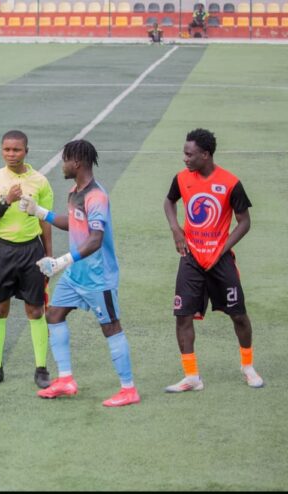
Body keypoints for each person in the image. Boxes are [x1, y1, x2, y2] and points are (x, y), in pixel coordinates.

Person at [26, 139, 140, 407]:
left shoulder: (96, 196)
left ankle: (128, 389)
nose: (62, 164)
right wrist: (41, 212)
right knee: (54, 315)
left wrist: (61, 261)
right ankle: (65, 379)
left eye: (64, 159)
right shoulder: (74, 191)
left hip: (98, 278)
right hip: (76, 276)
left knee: (111, 327)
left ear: (76, 162)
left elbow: (95, 240)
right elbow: (75, 222)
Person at [162, 128, 263, 392]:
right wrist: (176, 229)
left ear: (205, 155)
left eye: (189, 154)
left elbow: (244, 222)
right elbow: (169, 202)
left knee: (238, 315)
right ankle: (191, 376)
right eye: (184, 153)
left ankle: (248, 367)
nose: (185, 158)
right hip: (191, 257)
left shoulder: (230, 182)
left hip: (220, 261)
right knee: (182, 316)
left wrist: (222, 248)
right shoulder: (182, 179)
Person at [0, 130, 53, 388]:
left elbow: (46, 220)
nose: (11, 154)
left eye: (17, 150)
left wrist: (49, 254)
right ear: (2, 151)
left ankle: (41, 369)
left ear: (26, 151)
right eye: (7, 150)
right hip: (2, 250)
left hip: (32, 251)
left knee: (35, 309)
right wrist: (7, 200)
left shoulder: (40, 181)